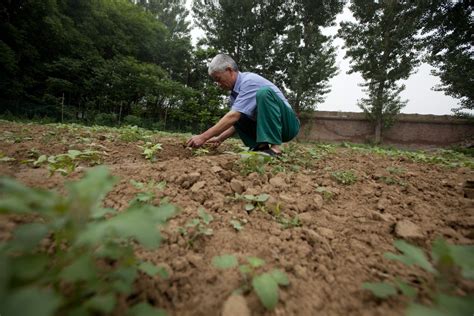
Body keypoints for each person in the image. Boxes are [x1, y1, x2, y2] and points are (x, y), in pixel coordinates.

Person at [186, 54, 300, 156]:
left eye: (218, 79)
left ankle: (276, 149)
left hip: (287, 126)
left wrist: (203, 137)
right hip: (273, 126)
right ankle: (261, 149)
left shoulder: (249, 81)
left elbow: (233, 116)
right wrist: (219, 138)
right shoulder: (235, 95)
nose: (218, 84)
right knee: (238, 113)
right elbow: (236, 122)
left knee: (264, 93)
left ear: (229, 70)